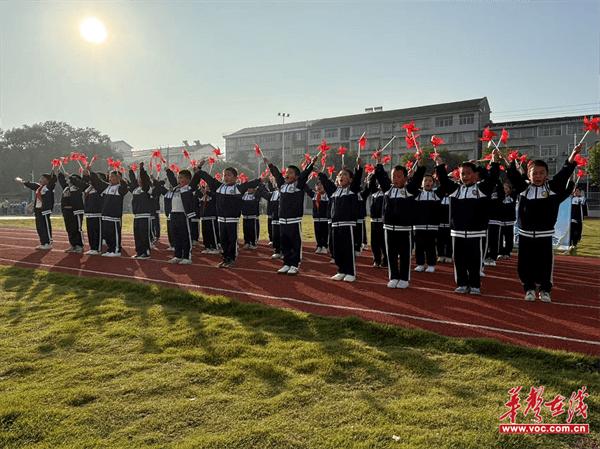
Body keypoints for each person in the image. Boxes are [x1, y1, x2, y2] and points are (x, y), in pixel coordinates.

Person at [507, 145, 582, 302]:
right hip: (525, 235)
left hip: (544, 236)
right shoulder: (524, 189)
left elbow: (563, 174)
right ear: (529, 174)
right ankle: (529, 288)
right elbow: (513, 176)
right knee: (525, 264)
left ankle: (545, 290)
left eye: (541, 173)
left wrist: (573, 154)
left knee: (545, 264)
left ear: (547, 175)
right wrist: (509, 161)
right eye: (535, 173)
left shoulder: (552, 188)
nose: (538, 176)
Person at [435, 149, 501, 295]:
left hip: (475, 233)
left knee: (474, 260)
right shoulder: (454, 190)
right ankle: (462, 283)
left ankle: (475, 284)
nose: (465, 176)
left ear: (475, 175)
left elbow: (492, 179)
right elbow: (444, 181)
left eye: (468, 173)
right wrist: (439, 165)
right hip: (457, 232)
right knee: (459, 260)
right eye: (463, 173)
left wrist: (495, 162)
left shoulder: (482, 189)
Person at [375, 152, 426, 289]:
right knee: (390, 255)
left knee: (404, 255)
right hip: (389, 229)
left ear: (405, 178)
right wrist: (379, 162)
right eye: (393, 176)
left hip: (404, 230)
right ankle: (393, 277)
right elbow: (381, 176)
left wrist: (420, 164)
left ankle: (404, 278)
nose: (395, 179)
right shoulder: (388, 190)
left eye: (399, 176)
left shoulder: (409, 190)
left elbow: (417, 179)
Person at [197, 161, 261, 268]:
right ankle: (225, 258)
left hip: (232, 220)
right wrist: (199, 168)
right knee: (223, 241)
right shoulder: (219, 187)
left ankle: (231, 259)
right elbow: (207, 177)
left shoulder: (237, 188)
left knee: (232, 240)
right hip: (221, 220)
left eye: (229, 175)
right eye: (224, 175)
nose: (226, 177)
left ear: (235, 178)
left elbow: (250, 184)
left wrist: (260, 180)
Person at [264, 155, 317, 275]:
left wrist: (311, 164)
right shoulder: (282, 185)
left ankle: (294, 264)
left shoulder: (298, 185)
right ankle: (286, 263)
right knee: (285, 243)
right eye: (286, 172)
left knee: (295, 243)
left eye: (291, 173)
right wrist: (270, 165)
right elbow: (277, 175)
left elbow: (304, 174)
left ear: (296, 176)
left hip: (294, 221)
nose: (287, 174)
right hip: (283, 221)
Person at [318, 157, 363, 282]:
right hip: (335, 225)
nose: (341, 176)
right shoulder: (334, 191)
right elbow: (326, 182)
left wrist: (358, 168)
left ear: (350, 179)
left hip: (347, 225)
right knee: (337, 249)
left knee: (347, 249)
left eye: (344, 175)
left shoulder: (352, 190)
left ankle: (350, 272)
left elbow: (358, 179)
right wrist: (320, 172)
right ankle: (341, 270)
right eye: (339, 175)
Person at [87, 168, 129, 257]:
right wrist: (91, 171)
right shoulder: (107, 187)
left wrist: (121, 180)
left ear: (118, 178)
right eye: (110, 176)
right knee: (108, 234)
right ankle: (110, 249)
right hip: (106, 215)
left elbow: (125, 187)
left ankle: (116, 250)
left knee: (114, 234)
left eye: (113, 176)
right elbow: (97, 181)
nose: (111, 178)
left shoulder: (120, 188)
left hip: (114, 216)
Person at [164, 167, 202, 264]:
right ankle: (178, 255)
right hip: (173, 214)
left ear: (188, 179)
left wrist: (198, 169)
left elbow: (196, 179)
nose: (179, 180)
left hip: (184, 215)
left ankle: (187, 257)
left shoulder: (189, 188)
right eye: (179, 178)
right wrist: (168, 171)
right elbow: (172, 179)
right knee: (176, 236)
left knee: (185, 236)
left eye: (181, 178)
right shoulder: (176, 189)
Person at [16, 171, 56, 249]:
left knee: (45, 226)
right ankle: (43, 242)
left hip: (45, 210)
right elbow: (32, 185)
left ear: (47, 180)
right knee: (39, 227)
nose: (40, 179)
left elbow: (53, 180)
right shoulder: (39, 187)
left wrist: (53, 174)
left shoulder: (49, 187)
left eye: (43, 178)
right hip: (38, 210)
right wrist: (23, 182)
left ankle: (48, 243)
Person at [413, 174, 442, 273]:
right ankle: (420, 264)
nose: (427, 183)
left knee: (431, 246)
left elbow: (445, 186)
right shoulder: (417, 194)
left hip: (432, 226)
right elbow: (412, 186)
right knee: (419, 246)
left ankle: (431, 264)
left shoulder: (437, 194)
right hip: (418, 226)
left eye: (430, 181)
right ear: (421, 183)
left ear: (433, 183)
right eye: (425, 181)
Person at [128, 163, 154, 259]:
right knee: (137, 235)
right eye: (138, 179)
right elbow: (133, 180)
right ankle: (139, 252)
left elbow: (144, 179)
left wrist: (142, 169)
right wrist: (131, 171)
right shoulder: (135, 189)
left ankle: (146, 252)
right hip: (137, 216)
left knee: (144, 235)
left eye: (140, 179)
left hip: (145, 215)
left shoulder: (147, 189)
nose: (139, 180)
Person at [57, 171, 85, 253]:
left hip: (76, 211)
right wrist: (59, 172)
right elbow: (62, 180)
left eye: (70, 179)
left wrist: (70, 176)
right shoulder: (66, 187)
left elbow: (77, 182)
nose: (68, 180)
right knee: (69, 229)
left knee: (77, 228)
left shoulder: (78, 187)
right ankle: (73, 245)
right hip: (67, 211)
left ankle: (79, 245)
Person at [366, 173, 387, 268]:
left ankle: (386, 260)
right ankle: (376, 260)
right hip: (374, 221)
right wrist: (374, 174)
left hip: (383, 222)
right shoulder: (375, 192)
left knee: (383, 243)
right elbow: (371, 184)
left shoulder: (387, 191)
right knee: (374, 243)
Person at [304, 180, 330, 254]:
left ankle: (325, 246)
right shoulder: (314, 195)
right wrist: (308, 178)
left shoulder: (328, 195)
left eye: (321, 185)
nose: (319, 186)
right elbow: (306, 188)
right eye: (317, 185)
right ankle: (319, 246)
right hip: (316, 218)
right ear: (315, 187)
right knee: (317, 233)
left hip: (325, 219)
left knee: (325, 233)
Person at [198, 181, 220, 254]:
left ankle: (215, 247)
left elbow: (213, 196)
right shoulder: (203, 196)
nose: (207, 188)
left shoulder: (214, 195)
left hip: (211, 217)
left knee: (212, 233)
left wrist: (206, 192)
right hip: (204, 218)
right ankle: (207, 246)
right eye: (206, 186)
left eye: (208, 186)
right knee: (205, 233)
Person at [569, 186, 588, 250]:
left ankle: (575, 243)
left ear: (580, 192)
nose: (576, 192)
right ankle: (571, 243)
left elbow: (584, 209)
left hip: (579, 219)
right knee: (572, 232)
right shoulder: (571, 198)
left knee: (578, 233)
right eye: (575, 191)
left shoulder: (583, 199)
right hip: (572, 218)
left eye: (577, 191)